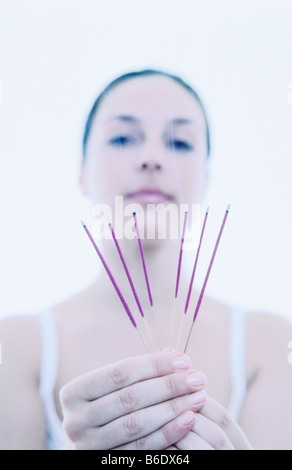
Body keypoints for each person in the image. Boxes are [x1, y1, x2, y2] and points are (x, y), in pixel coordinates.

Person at [0, 69, 291, 451]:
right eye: (122, 138)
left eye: (181, 143)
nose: (152, 158)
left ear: (205, 176)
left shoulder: (270, 343)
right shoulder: (16, 347)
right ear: (82, 174)